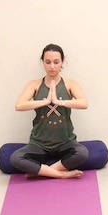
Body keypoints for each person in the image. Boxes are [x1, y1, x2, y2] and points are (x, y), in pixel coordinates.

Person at [11, 44, 89, 179]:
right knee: (15, 158)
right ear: (42, 62)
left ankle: (44, 172)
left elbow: (84, 103)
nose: (52, 66)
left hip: (65, 142)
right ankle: (60, 174)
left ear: (62, 62)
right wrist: (46, 101)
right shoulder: (34, 84)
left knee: (82, 153)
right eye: (48, 62)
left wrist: (60, 102)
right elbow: (19, 105)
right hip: (39, 144)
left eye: (56, 62)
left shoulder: (70, 84)